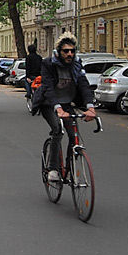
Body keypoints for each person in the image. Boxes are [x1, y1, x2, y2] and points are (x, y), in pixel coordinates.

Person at [40, 33, 96, 183]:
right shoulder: (48, 64)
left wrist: (90, 107)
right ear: (59, 52)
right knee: (58, 130)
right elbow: (48, 89)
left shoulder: (77, 65)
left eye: (72, 51)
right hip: (49, 103)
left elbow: (84, 86)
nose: (70, 54)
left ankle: (69, 166)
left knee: (74, 136)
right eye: (66, 51)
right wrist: (58, 109)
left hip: (67, 104)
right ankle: (53, 168)